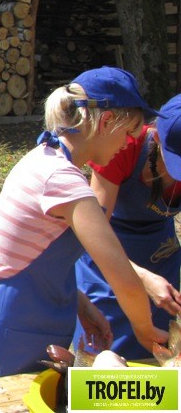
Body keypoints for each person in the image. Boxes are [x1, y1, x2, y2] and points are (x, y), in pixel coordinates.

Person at [0, 67, 169, 384]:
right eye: (128, 133)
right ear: (105, 123)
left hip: (27, 323)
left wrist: (82, 304)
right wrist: (145, 330)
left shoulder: (47, 161)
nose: (128, 143)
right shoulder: (61, 181)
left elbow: (28, 257)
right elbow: (123, 277)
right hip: (10, 331)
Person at [72, 93, 181, 360]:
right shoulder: (122, 146)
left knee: (162, 350)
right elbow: (91, 234)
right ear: (155, 137)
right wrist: (142, 279)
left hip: (160, 252)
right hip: (106, 250)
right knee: (106, 351)